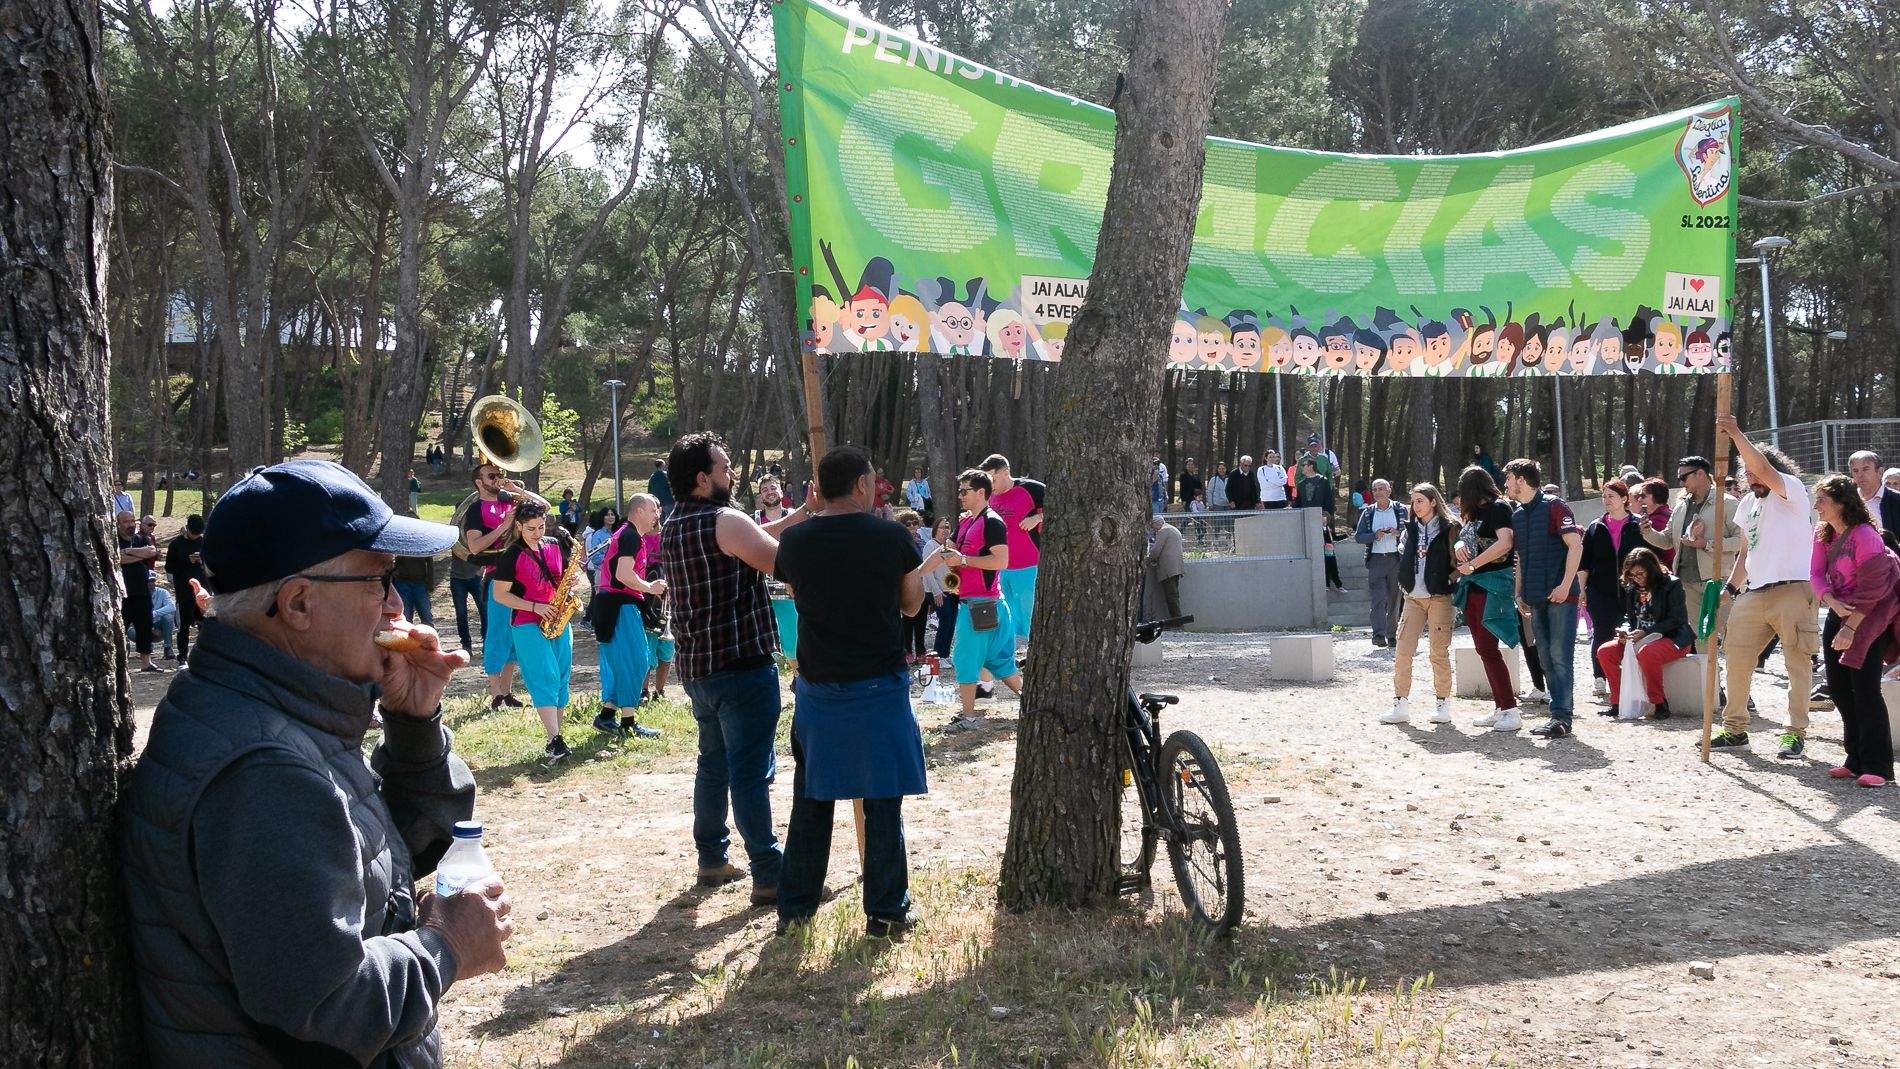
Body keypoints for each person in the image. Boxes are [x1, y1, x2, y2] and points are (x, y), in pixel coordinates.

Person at [122, 459, 509, 1067]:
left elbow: (384, 855)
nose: (394, 606)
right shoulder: (263, 770)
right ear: (298, 603)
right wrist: (448, 945)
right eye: (378, 581)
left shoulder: (265, 705)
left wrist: (413, 726)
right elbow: (328, 1008)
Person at [773, 446, 935, 939]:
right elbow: (910, 608)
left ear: (819, 489)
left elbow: (799, 594)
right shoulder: (892, 536)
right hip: (879, 684)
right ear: (862, 485)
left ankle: (796, 910)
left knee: (811, 799)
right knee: (883, 799)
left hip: (820, 687)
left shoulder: (796, 541)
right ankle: (886, 913)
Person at [659, 432, 816, 902]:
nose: (732, 476)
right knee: (749, 772)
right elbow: (780, 563)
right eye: (725, 469)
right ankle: (770, 872)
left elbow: (753, 538)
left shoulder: (674, 522)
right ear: (704, 479)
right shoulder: (724, 519)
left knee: (714, 764)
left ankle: (711, 857)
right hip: (741, 665)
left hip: (699, 668)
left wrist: (803, 515)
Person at [1713, 413, 1820, 757]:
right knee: (1737, 658)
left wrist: (1734, 432)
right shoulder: (1747, 504)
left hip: (1793, 589)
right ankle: (1735, 729)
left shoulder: (1790, 489)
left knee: (1796, 663)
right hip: (1754, 593)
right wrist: (1729, 589)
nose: (1751, 477)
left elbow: (1761, 465)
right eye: (1746, 474)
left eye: (1755, 470)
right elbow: (1746, 551)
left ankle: (1794, 732)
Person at [1810, 474, 1897, 787]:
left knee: (1865, 690)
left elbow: (1874, 589)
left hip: (1870, 618)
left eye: (1822, 499)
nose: (1816, 505)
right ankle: (1855, 758)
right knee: (1838, 687)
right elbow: (1816, 574)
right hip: (1839, 610)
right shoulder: (1823, 533)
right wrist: (1830, 599)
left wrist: (1850, 627)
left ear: (1841, 502)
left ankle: (1879, 766)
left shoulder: (1865, 536)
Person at [488, 504, 582, 764]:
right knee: (544, 677)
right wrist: (536, 607)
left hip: (558, 618)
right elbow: (500, 595)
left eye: (541, 527)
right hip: (528, 622)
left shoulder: (553, 544)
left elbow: (561, 576)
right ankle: (554, 739)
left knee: (561, 677)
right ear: (518, 526)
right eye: (530, 528)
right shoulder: (510, 554)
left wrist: (571, 582)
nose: (537, 533)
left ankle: (557, 737)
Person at [459, 461, 550, 711]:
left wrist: (516, 490)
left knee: (514, 634)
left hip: (521, 577)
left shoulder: (509, 498)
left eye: (498, 474)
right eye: (491, 475)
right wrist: (503, 526)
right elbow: (475, 546)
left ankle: (508, 692)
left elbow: (544, 507)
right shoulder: (477, 510)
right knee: (497, 634)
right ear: (479, 482)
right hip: (497, 576)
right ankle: (495, 692)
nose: (497, 478)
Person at [1503, 459, 1583, 739]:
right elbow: (1522, 558)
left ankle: (1562, 717)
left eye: (1509, 479)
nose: (1506, 485)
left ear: (1521, 480)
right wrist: (1520, 592)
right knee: (1546, 659)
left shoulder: (1555, 507)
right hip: (1535, 598)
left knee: (1561, 657)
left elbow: (1575, 545)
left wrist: (1565, 585)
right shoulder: (1518, 515)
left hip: (1562, 597)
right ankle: (1555, 715)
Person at [944, 469, 1025, 727]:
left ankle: (968, 717)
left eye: (965, 491)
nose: (960, 496)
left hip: (981, 605)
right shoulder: (967, 521)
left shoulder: (992, 521)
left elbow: (1002, 560)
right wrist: (929, 572)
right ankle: (1034, 706)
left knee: (966, 658)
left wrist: (964, 560)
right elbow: (951, 554)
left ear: (981, 492)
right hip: (984, 604)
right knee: (999, 662)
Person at [1639, 456, 1745, 651]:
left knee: (1733, 635)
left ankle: (1736, 680)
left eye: (1684, 477)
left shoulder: (1727, 503)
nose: (1680, 482)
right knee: (1701, 637)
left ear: (1701, 474)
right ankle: (1710, 682)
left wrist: (1706, 544)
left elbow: (1741, 541)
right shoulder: (1681, 506)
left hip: (1717, 581)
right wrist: (1648, 532)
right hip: (1686, 584)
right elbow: (1666, 540)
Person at [1451, 466, 1524, 731]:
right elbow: (1464, 540)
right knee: (1484, 650)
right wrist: (1460, 547)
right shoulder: (1474, 515)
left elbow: (1505, 542)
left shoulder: (1499, 508)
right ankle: (1500, 707)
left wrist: (1473, 565)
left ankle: (1510, 710)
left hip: (1492, 586)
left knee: (1489, 650)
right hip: (1473, 586)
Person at [1383, 483, 1459, 725]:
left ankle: (1442, 703)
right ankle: (1400, 703)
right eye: (1413, 501)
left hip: (1439, 597)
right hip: (1413, 597)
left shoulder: (1450, 528)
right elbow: (1404, 552)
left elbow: (1461, 561)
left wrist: (1450, 578)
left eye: (1420, 501)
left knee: (1438, 651)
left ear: (1433, 501)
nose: (1414, 506)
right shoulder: (1410, 529)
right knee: (1403, 650)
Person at [591, 495, 666, 740]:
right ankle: (627, 723)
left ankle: (606, 716)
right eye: (654, 510)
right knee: (636, 661)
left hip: (614, 605)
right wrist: (650, 587)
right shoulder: (631, 536)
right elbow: (623, 574)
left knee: (622, 662)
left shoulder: (629, 534)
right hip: (619, 605)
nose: (657, 514)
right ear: (640, 511)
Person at [1594, 547, 1694, 719]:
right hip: (1639, 638)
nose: (1636, 578)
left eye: (1640, 573)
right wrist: (1625, 631)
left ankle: (1659, 703)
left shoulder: (1672, 584)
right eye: (1632, 575)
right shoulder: (1632, 587)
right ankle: (1619, 702)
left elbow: (1677, 619)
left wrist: (1647, 632)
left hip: (1673, 638)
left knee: (1647, 653)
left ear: (1651, 569)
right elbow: (1630, 616)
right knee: (1605, 651)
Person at [1579, 480, 1645, 696]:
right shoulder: (1595, 527)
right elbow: (1585, 562)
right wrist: (1581, 589)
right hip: (1600, 590)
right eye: (1604, 497)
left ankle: (1631, 676)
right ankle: (1600, 677)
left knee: (1635, 631)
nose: (1606, 500)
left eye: (1611, 496)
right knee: (1602, 632)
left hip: (1633, 589)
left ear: (1624, 499)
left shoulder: (1638, 525)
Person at [979, 454, 1046, 643]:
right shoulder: (988, 496)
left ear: (1005, 472)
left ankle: (1034, 648)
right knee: (1005, 613)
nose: (988, 483)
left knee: (1029, 613)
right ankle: (1010, 654)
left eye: (992, 478)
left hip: (1029, 564)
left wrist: (1037, 518)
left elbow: (1062, 506)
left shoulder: (1031, 488)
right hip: (1000, 566)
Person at [1354, 479, 1403, 646]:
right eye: (1374, 489)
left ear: (1389, 491)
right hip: (1376, 560)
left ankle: (1392, 635)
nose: (1377, 492)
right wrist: (1375, 535)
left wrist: (1399, 533)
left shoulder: (1400, 509)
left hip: (1396, 559)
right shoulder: (1368, 512)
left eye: (1381, 489)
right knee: (1378, 599)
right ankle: (1378, 635)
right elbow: (1358, 537)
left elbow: (1412, 533)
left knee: (1395, 599)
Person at [118, 511, 165, 672]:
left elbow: (151, 551)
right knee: (119, 629)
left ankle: (146, 663)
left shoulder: (140, 538)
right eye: (126, 522)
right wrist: (137, 554)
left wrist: (127, 552)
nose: (130, 524)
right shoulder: (113, 540)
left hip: (142, 590)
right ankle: (118, 663)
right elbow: (117, 559)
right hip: (122, 593)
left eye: (132, 521)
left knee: (145, 626)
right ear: (117, 524)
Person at [164, 513, 207, 664]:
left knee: (205, 624)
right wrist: (186, 560)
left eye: (198, 534)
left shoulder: (205, 543)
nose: (195, 536)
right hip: (184, 590)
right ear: (187, 529)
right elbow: (169, 567)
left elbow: (214, 565)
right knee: (184, 625)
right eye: (193, 533)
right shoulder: (176, 544)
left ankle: (205, 655)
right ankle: (182, 656)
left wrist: (201, 560)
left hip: (203, 590)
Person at [897, 510, 933, 659]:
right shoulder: (900, 543)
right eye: (907, 524)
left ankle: (920, 650)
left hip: (924, 585)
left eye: (915, 522)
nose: (912, 526)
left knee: (922, 620)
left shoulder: (923, 542)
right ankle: (907, 651)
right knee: (908, 620)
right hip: (907, 586)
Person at [927, 515, 958, 660]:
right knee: (944, 621)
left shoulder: (950, 547)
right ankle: (938, 654)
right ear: (935, 529)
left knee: (951, 622)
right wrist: (936, 591)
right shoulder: (930, 546)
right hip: (938, 592)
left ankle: (945, 654)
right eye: (941, 527)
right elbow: (927, 572)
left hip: (952, 590)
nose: (945, 530)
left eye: (947, 527)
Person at [1847, 450, 1900, 532]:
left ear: (1880, 472)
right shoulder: (1847, 502)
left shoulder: (1897, 500)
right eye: (1855, 471)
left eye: (1865, 469)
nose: (1860, 475)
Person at [1146, 515, 1186, 618]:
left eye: (1153, 526)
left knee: (1171, 596)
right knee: (1174, 595)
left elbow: (1156, 550)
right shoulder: (1173, 529)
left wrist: (1147, 560)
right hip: (1176, 568)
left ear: (1157, 523)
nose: (1153, 529)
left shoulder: (1163, 531)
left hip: (1168, 569)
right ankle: (1177, 620)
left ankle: (1177, 621)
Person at [1632, 478, 1675, 569]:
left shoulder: (1659, 520)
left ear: (1656, 496)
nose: (1639, 499)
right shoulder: (1668, 514)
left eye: (1643, 496)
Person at [393, 552, 437, 627]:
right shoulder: (399, 541)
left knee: (426, 617)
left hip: (420, 583)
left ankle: (429, 638)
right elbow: (391, 559)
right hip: (402, 583)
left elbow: (430, 562)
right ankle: (406, 638)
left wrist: (430, 584)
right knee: (405, 619)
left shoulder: (422, 543)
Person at [148, 574, 179, 661]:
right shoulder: (138, 594)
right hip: (143, 627)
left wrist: (154, 613)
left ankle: (168, 648)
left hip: (159, 626)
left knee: (168, 617)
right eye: (148, 581)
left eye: (153, 581)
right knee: (130, 631)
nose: (151, 583)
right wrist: (151, 628)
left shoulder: (162, 592)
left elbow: (171, 607)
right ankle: (146, 647)